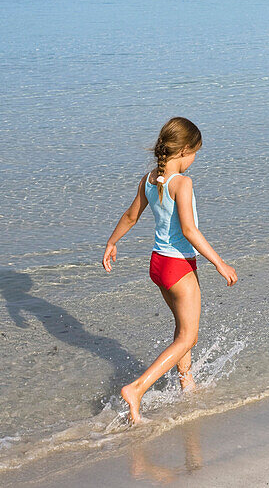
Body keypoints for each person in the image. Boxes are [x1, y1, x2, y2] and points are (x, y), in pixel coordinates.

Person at [101, 116, 238, 424]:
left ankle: (186, 384)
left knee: (182, 329)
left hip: (158, 266)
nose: (194, 161)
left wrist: (111, 242)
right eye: (195, 154)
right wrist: (219, 263)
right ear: (183, 151)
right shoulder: (182, 183)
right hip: (179, 265)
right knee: (188, 337)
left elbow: (130, 215)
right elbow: (189, 230)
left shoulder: (150, 179)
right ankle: (137, 389)